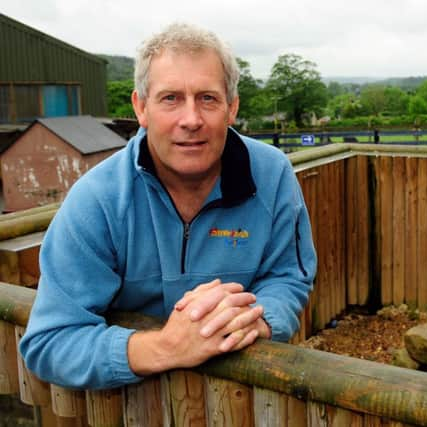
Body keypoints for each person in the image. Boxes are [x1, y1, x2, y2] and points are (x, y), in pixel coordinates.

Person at [19, 23, 317, 390]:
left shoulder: (272, 175)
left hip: (247, 400)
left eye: (207, 98)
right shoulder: (96, 200)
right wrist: (167, 347)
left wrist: (260, 320)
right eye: (170, 98)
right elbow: (50, 343)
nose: (190, 119)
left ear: (232, 108)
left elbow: (288, 275)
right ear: (141, 108)